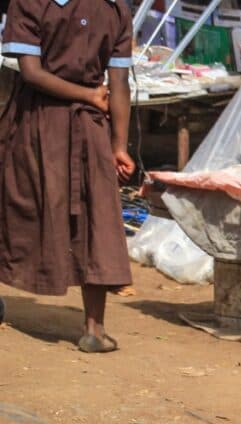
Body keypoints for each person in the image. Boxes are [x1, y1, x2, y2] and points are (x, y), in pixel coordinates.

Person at [0, 0, 135, 352]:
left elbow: (31, 73)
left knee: (17, 207)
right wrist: (119, 144)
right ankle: (95, 328)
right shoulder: (116, 7)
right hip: (93, 127)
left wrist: (89, 96)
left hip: (35, 122)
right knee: (97, 220)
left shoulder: (30, 3)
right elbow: (119, 84)